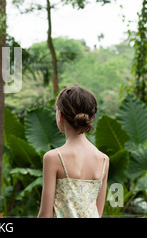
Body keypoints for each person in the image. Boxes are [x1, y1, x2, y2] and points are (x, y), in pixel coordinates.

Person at [37, 84, 109, 218]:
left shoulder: (53, 158)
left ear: (60, 115)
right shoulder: (103, 160)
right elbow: (97, 214)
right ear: (91, 118)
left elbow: (45, 215)